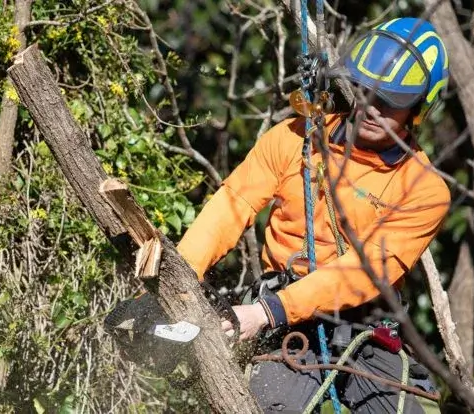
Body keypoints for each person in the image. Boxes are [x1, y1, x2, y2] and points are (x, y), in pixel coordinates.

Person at [176, 17, 451, 413]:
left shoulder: (424, 190)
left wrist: (267, 312)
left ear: (418, 109)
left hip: (366, 330)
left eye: (390, 101)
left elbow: (364, 271)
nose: (371, 108)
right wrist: (183, 273)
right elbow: (231, 205)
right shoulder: (297, 138)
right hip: (283, 320)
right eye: (364, 91)